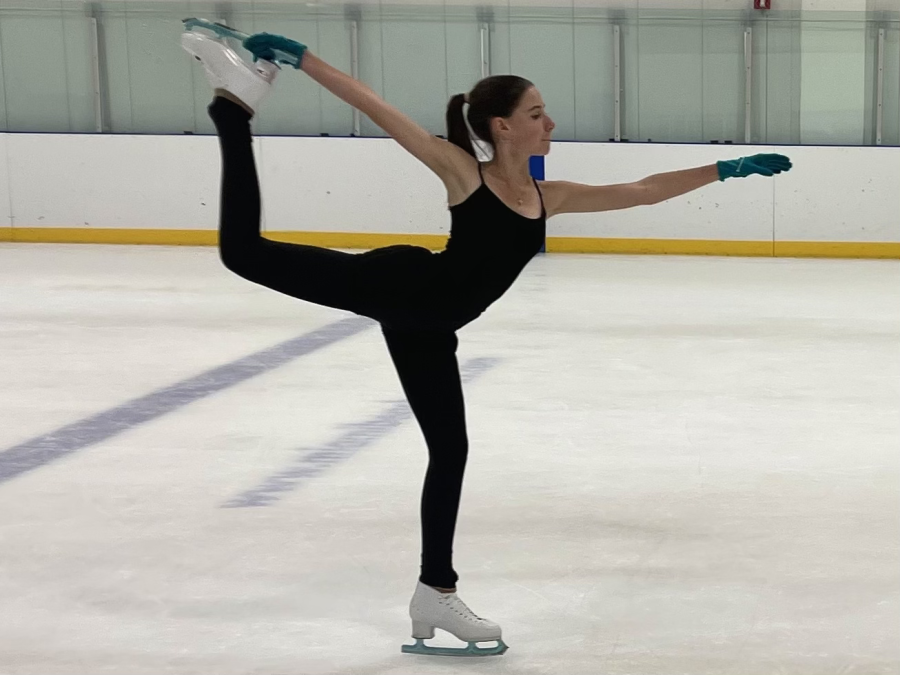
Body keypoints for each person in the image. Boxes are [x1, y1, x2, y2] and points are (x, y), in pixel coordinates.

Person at [181, 23, 791, 658]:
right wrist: (307, 60)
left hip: (430, 329)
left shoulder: (548, 198)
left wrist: (723, 168)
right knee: (242, 253)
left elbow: (641, 192)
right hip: (399, 287)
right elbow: (378, 108)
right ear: (502, 127)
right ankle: (233, 105)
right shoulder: (464, 175)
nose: (549, 123)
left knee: (451, 453)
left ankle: (433, 593)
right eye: (536, 113)